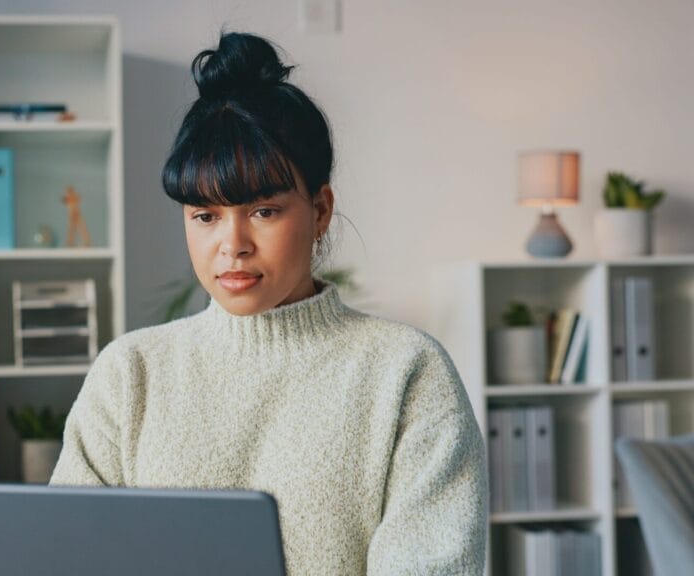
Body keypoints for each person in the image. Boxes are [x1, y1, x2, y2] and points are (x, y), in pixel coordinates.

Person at [49, 31, 486, 575]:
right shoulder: (129, 373)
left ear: (320, 209)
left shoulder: (405, 372)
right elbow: (69, 557)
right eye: (205, 216)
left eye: (263, 210)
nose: (232, 245)